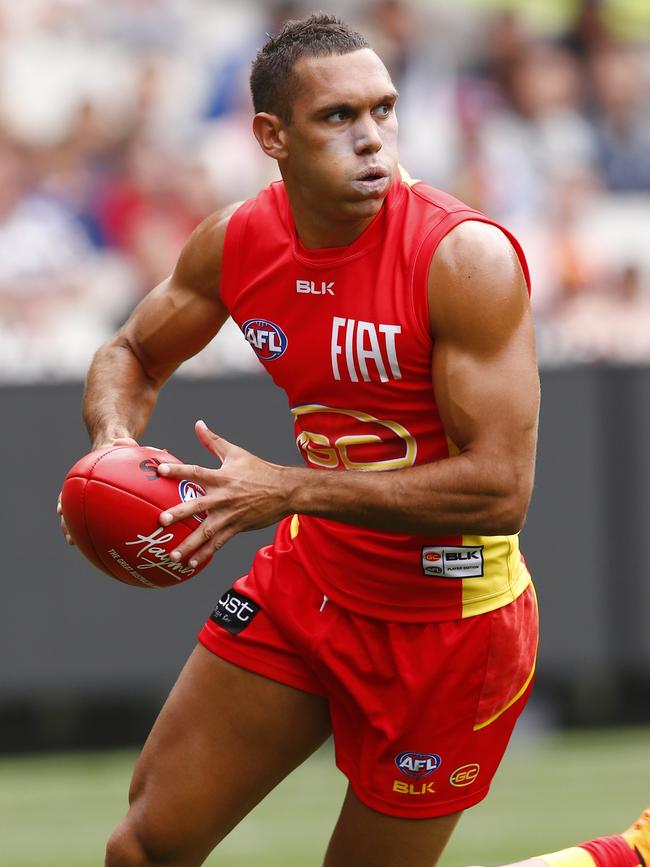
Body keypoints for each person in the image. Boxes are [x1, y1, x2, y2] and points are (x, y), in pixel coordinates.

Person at [56, 13, 643, 867]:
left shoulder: (463, 257)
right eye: (339, 117)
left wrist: (288, 489)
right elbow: (132, 353)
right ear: (272, 136)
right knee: (143, 848)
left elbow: (500, 491)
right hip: (312, 582)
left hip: (449, 623)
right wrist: (111, 449)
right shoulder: (238, 239)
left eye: (384, 110)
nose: (372, 139)